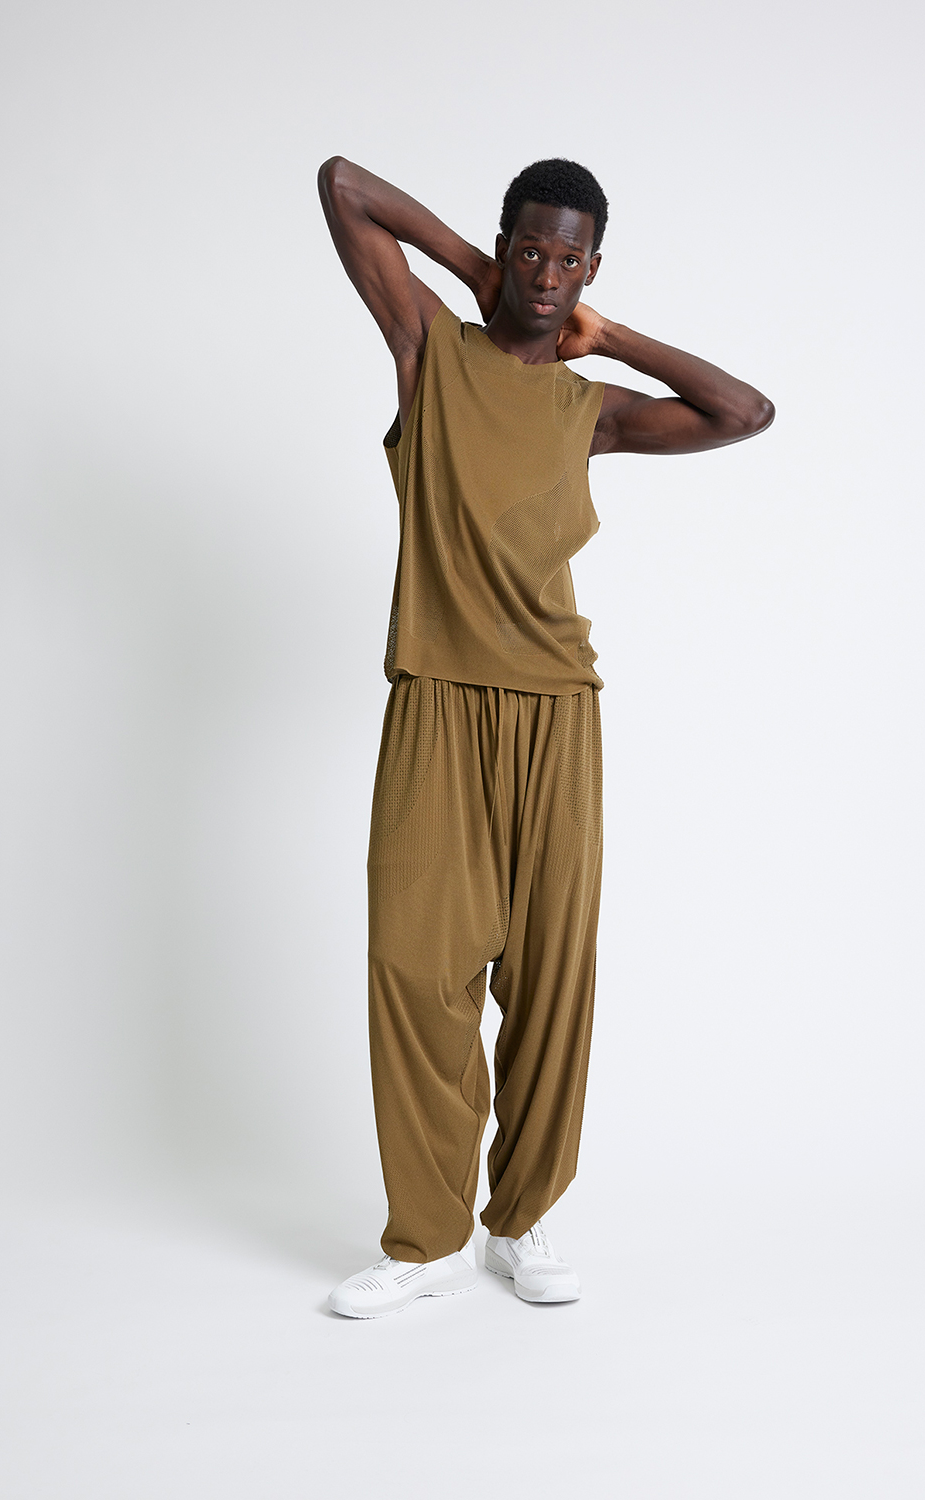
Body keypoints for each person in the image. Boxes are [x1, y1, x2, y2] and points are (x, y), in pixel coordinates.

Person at [317, 155, 773, 1318]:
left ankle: (519, 1221)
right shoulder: (431, 351)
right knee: (415, 968)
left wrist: (606, 337)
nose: (545, 271)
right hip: (434, 696)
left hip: (557, 710)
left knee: (548, 976)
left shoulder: (590, 409)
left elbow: (744, 412)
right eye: (529, 248)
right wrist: (476, 277)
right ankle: (426, 1240)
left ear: (592, 270)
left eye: (569, 258)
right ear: (503, 246)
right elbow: (344, 186)